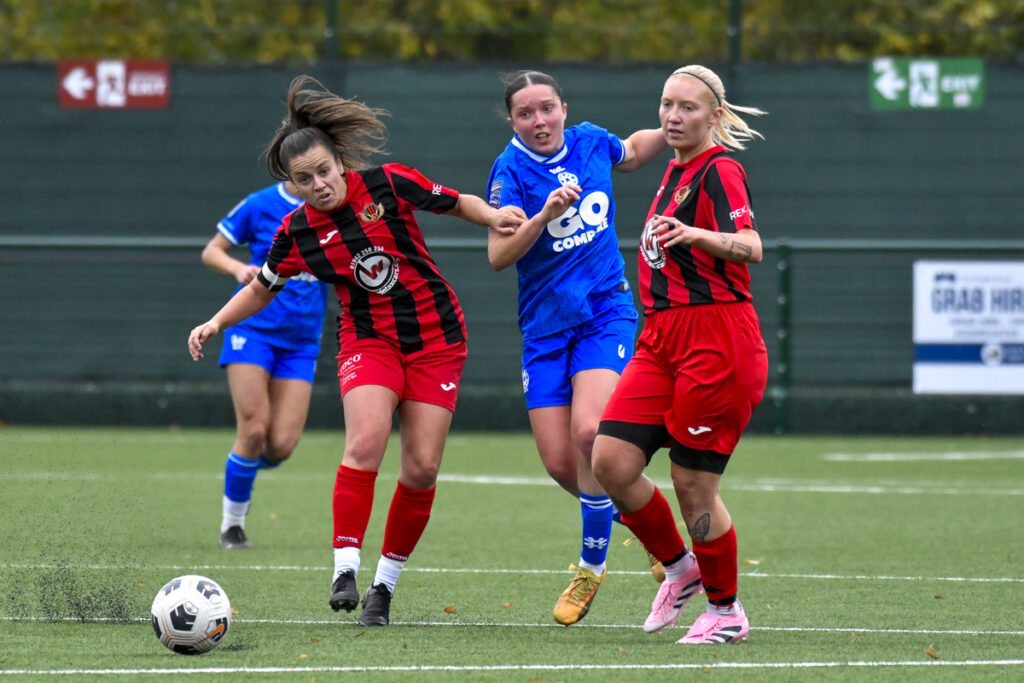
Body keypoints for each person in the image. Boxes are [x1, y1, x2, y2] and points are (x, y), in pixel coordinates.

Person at [188, 75, 525, 627]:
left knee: (422, 467)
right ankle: (344, 569)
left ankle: (383, 588)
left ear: (339, 161)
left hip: (437, 338)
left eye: (323, 170)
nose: (318, 184)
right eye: (304, 179)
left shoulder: (389, 183)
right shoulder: (296, 231)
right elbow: (263, 287)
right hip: (368, 340)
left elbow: (453, 202)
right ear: (291, 184)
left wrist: (491, 216)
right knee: (365, 442)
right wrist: (216, 321)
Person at [591, 64, 769, 645]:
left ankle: (726, 611)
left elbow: (752, 246)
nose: (672, 115)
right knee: (611, 461)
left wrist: (697, 235)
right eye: (667, 104)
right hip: (661, 339)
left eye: (687, 107)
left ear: (713, 116)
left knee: (693, 484)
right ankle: (679, 568)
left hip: (716, 341)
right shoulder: (675, 170)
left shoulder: (720, 169)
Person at [485, 69, 668, 626]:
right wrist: (544, 215)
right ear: (512, 121)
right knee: (563, 465)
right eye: (526, 113)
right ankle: (658, 533)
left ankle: (590, 568)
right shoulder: (509, 171)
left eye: (547, 108)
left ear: (564, 108)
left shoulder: (590, 141)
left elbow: (631, 151)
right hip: (545, 331)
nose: (539, 121)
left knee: (590, 433)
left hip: (605, 314)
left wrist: (675, 127)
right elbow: (498, 256)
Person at [201, 180, 329, 550]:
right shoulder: (260, 204)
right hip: (252, 330)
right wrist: (237, 269)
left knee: (280, 446)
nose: (315, 176)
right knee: (254, 431)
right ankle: (233, 527)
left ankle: (237, 468)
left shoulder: (333, 205)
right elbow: (212, 251)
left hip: (301, 341)